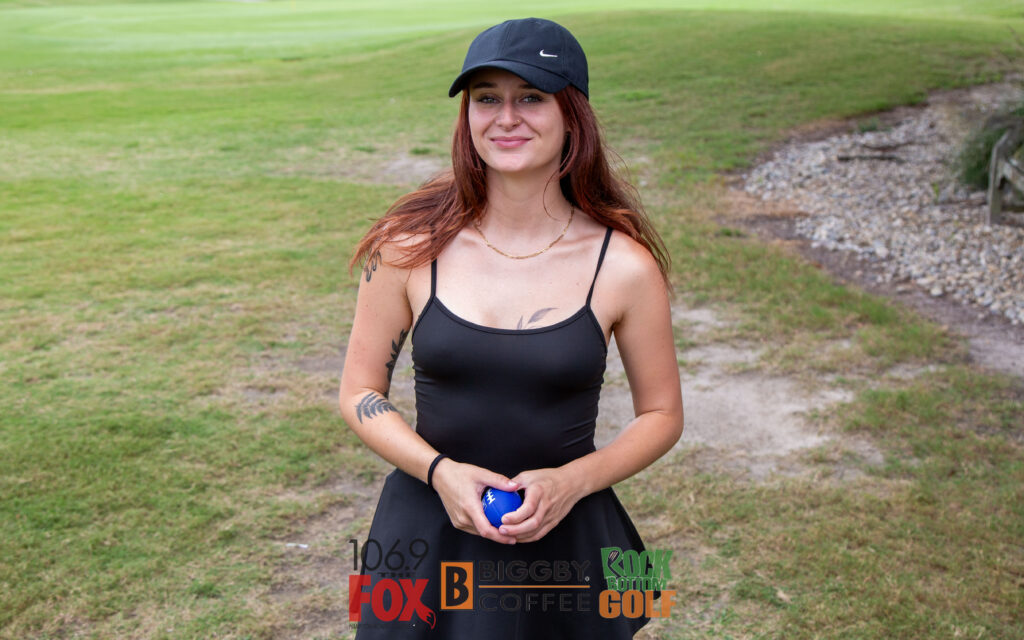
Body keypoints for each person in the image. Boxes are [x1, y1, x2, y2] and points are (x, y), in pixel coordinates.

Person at [339, 17, 683, 639]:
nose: (505, 118)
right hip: (424, 525)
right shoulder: (407, 246)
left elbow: (663, 415)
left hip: (569, 532)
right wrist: (440, 472)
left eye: (530, 97)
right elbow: (359, 392)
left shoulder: (625, 265)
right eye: (486, 99)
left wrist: (571, 482)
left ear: (572, 116)